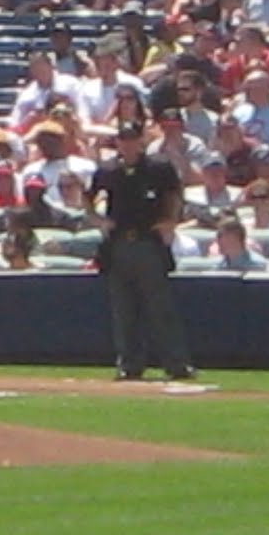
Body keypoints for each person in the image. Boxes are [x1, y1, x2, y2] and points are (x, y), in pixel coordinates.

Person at [88, 121, 194, 381]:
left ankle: (176, 363)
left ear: (141, 140)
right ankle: (129, 364)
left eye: (132, 138)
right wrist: (99, 221)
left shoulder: (158, 167)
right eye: (123, 139)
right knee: (124, 309)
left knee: (160, 308)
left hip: (148, 241)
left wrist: (171, 220)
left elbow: (175, 193)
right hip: (119, 243)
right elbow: (88, 198)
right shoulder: (109, 170)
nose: (128, 144)